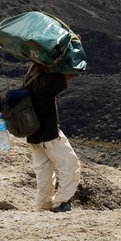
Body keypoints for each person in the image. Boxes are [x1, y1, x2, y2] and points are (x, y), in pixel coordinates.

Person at [23, 62, 81, 212]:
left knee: (44, 173)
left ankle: (43, 206)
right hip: (49, 135)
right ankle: (61, 203)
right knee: (70, 165)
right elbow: (73, 74)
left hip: (33, 135)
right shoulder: (46, 83)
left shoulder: (29, 77)